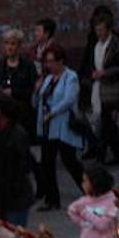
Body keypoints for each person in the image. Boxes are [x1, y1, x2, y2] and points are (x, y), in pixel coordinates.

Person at [34, 43, 84, 211]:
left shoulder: (71, 77)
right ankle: (52, 199)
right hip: (48, 126)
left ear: (61, 61)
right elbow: (39, 100)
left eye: (51, 61)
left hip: (63, 124)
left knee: (70, 160)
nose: (49, 65)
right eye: (47, 62)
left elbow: (69, 99)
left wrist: (53, 113)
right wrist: (37, 89)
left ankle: (91, 190)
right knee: (47, 162)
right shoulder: (48, 79)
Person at [79, 8, 119, 164]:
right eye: (97, 30)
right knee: (104, 121)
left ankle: (101, 155)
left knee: (105, 122)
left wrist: (105, 73)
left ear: (108, 29)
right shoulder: (96, 45)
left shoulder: (117, 45)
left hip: (112, 89)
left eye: (101, 30)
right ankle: (117, 150)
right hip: (99, 87)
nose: (99, 33)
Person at [0, 96, 36, 227]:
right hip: (8, 194)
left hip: (16, 196)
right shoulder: (0, 132)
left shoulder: (17, 135)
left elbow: (23, 165)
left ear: (0, 112)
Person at [66, 165, 118, 238]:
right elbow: (72, 210)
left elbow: (103, 225)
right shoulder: (87, 199)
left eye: (85, 181)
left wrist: (85, 213)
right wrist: (82, 223)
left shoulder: (112, 202)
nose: (82, 184)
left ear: (95, 183)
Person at [0, 28, 38, 133]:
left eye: (13, 44)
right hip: (5, 114)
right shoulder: (0, 65)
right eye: (7, 43)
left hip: (23, 114)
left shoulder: (28, 66)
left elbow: (32, 90)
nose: (9, 47)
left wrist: (14, 92)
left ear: (19, 46)